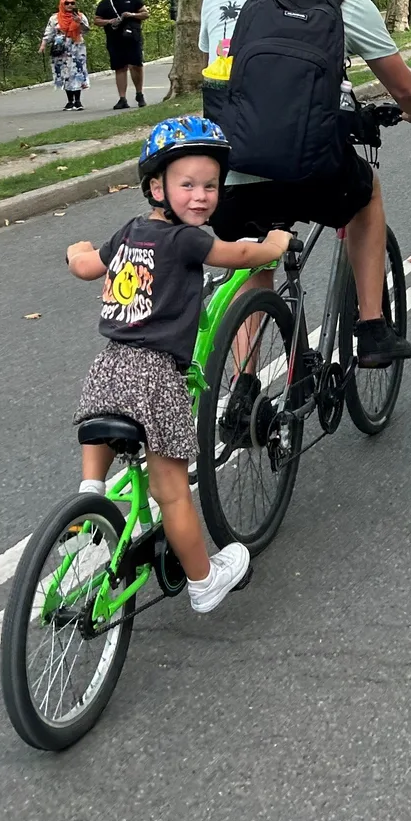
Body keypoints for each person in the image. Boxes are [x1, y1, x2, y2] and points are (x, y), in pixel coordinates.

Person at [199, 0, 411, 369]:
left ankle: (245, 386)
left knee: (254, 258)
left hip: (231, 167)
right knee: (366, 194)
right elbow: (404, 89)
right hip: (313, 173)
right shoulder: (346, 2)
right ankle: (371, 327)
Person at [66, 117, 280, 614]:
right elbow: (240, 254)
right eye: (188, 185)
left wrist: (76, 251)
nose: (201, 196)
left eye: (210, 186)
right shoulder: (189, 241)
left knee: (100, 431)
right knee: (172, 491)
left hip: (109, 367)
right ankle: (205, 581)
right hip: (156, 377)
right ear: (156, 186)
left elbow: (85, 266)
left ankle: (90, 499)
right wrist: (273, 244)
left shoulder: (128, 232)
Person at [95, 0, 149, 110]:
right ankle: (122, 98)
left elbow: (145, 14)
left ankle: (139, 94)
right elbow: (97, 20)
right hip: (115, 39)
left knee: (136, 65)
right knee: (120, 67)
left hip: (132, 38)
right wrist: (109, 22)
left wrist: (131, 15)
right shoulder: (105, 3)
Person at [40, 0, 91, 110]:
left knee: (77, 72)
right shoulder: (55, 18)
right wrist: (43, 44)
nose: (70, 5)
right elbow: (49, 32)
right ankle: (69, 101)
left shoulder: (80, 16)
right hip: (61, 48)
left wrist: (79, 22)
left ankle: (77, 101)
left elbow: (86, 30)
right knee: (65, 73)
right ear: (62, 4)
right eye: (67, 3)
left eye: (72, 3)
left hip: (77, 47)